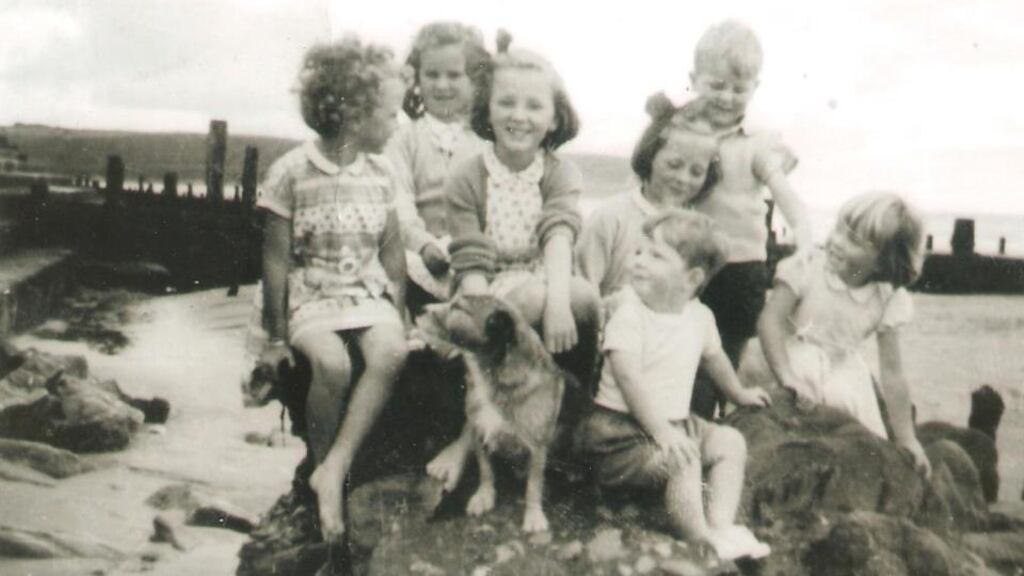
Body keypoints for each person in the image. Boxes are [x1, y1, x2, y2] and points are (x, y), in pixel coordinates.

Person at [425, 45, 601, 492]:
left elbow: (558, 236)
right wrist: (480, 315)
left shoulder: (561, 174)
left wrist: (560, 300)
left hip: (546, 275)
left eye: (533, 105)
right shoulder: (468, 176)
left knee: (585, 299)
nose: (518, 116)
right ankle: (470, 441)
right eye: (506, 102)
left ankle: (576, 420)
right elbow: (470, 261)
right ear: (486, 109)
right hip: (485, 286)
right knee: (517, 306)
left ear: (555, 118)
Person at [255, 37, 409, 545]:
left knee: (388, 352)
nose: (396, 123)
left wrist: (400, 312)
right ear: (353, 116)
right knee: (333, 364)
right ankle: (326, 471)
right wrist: (275, 337)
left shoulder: (383, 171)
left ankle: (337, 460)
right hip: (312, 292)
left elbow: (391, 250)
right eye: (389, 113)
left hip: (364, 289)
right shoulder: (291, 172)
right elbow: (275, 261)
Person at [578, 209, 772, 561]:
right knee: (682, 458)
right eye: (640, 251)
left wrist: (739, 393)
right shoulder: (630, 313)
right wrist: (663, 433)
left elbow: (715, 360)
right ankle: (699, 540)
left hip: (675, 424)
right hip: (618, 435)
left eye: (656, 256)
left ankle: (720, 525)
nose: (639, 261)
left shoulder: (699, 316)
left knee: (730, 442)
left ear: (691, 278)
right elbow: (628, 378)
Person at [676, 20, 813, 419]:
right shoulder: (680, 132)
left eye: (739, 88)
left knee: (728, 347)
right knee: (683, 344)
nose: (727, 97)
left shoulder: (756, 142)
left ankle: (713, 412)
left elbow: (784, 193)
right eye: (716, 85)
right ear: (694, 80)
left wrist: (803, 234)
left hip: (741, 266)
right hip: (691, 262)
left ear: (755, 87)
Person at [749, 191, 932, 476]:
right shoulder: (808, 267)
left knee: (870, 442)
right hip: (785, 354)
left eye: (854, 241)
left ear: (884, 261)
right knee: (810, 401)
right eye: (839, 229)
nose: (836, 242)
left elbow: (893, 373)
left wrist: (907, 437)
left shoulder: (888, 297)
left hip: (841, 365)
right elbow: (768, 322)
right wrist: (787, 377)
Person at [386, 21, 490, 312]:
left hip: (475, 250)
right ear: (417, 78)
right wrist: (423, 244)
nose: (441, 85)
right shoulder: (403, 138)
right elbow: (399, 201)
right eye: (431, 74)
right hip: (420, 254)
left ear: (475, 80)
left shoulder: (486, 139)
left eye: (454, 75)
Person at [576, 92, 719, 297]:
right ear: (650, 155)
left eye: (696, 172)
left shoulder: (697, 228)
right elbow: (583, 290)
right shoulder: (611, 216)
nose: (683, 178)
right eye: (674, 165)